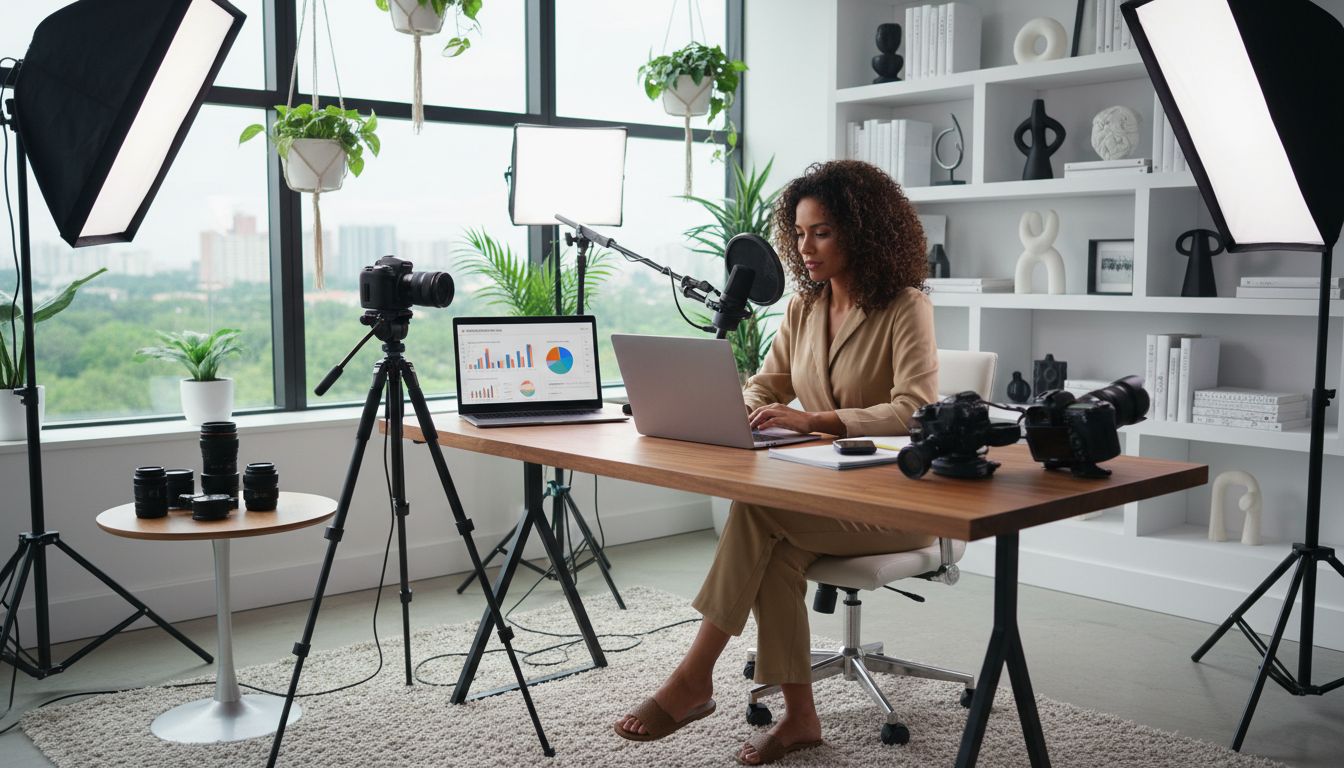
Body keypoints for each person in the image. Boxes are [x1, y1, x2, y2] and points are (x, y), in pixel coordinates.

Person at [613, 159, 939, 765]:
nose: (804, 246)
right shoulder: (805, 308)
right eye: (799, 231)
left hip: (900, 501)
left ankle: (693, 678)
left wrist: (816, 421)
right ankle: (800, 720)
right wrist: (736, 409)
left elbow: (914, 409)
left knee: (758, 516)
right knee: (775, 550)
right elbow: (768, 384)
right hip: (819, 497)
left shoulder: (905, 306)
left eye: (821, 232)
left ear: (861, 232)